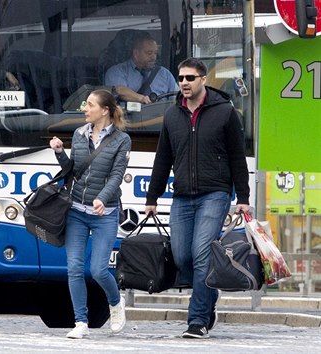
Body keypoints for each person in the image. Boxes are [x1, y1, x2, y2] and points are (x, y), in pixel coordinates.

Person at [144, 57, 250, 339]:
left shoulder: (225, 112)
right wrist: (152, 197)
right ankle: (209, 298)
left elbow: (238, 158)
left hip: (215, 193)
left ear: (203, 79)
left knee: (203, 253)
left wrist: (243, 196)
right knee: (182, 255)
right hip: (182, 196)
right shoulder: (171, 115)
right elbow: (163, 158)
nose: (184, 83)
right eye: (181, 78)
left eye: (190, 78)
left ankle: (197, 320)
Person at [50, 89, 131, 339]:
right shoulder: (79, 134)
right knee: (74, 268)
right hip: (76, 210)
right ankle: (81, 322)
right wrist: (59, 153)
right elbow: (73, 171)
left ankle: (116, 303)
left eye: (90, 105)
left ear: (104, 110)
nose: (85, 109)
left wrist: (102, 198)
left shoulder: (121, 140)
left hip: (104, 213)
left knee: (97, 270)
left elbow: (117, 175)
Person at [104, 33, 178, 105]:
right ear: (136, 53)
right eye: (149, 53)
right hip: (130, 116)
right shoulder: (117, 71)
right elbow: (119, 90)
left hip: (162, 116)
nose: (153, 58)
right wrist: (142, 99)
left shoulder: (164, 74)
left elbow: (177, 96)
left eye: (155, 53)